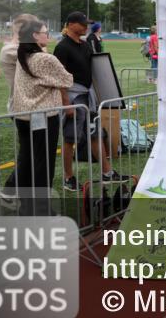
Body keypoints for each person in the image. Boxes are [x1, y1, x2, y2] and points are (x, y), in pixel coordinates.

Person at [54, 12, 126, 192]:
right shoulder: (62, 47)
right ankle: (68, 178)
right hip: (74, 98)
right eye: (81, 23)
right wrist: (66, 103)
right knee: (70, 139)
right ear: (70, 24)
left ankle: (107, 173)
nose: (85, 26)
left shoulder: (85, 45)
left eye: (87, 23)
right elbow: (59, 78)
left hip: (88, 97)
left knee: (96, 135)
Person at [13, 18, 74, 214]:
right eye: (45, 32)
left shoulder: (24, 55)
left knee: (27, 161)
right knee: (43, 164)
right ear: (34, 36)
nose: (48, 36)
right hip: (43, 116)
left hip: (23, 115)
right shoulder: (44, 58)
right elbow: (67, 80)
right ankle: (41, 208)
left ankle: (26, 207)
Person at [0, 13, 39, 207]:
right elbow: (43, 61)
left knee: (34, 151)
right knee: (29, 152)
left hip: (33, 106)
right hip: (22, 108)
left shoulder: (23, 48)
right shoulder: (11, 50)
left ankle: (17, 190)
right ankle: (10, 191)